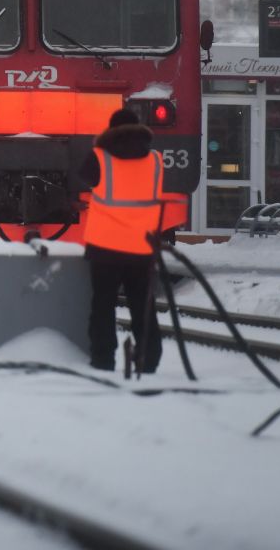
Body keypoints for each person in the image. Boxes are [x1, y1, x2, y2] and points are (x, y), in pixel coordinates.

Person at [77, 108, 169, 374]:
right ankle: (149, 359)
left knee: (103, 305)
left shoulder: (99, 158)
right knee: (143, 305)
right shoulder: (155, 160)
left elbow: (84, 177)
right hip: (142, 247)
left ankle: (103, 359)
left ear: (110, 131)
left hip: (105, 247)